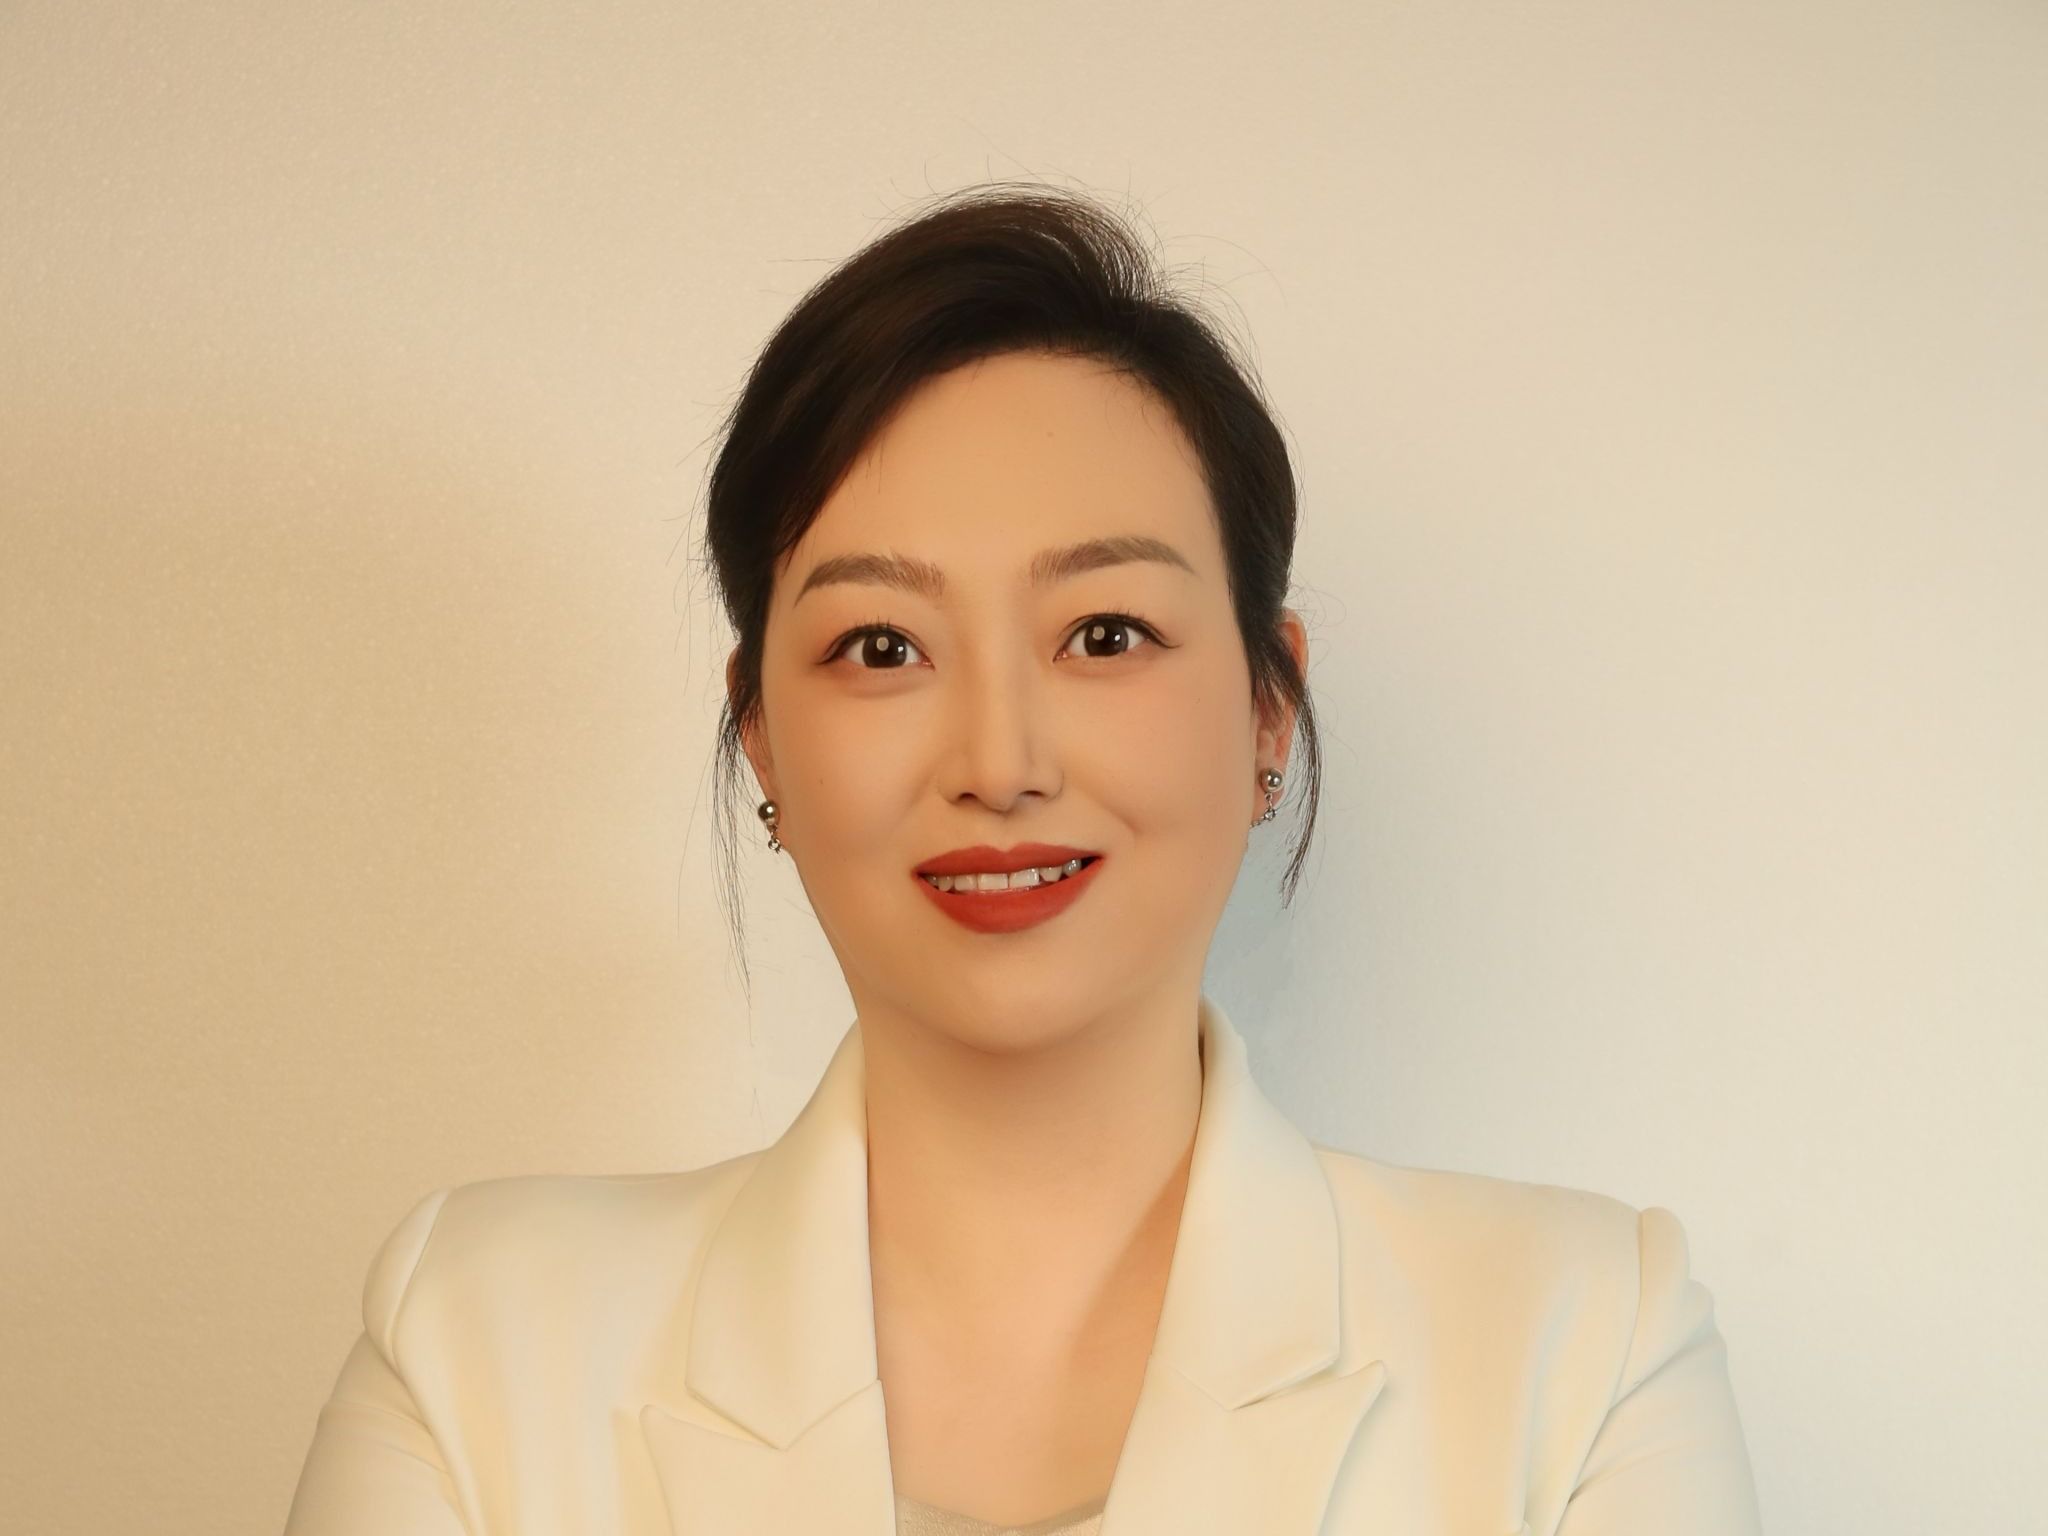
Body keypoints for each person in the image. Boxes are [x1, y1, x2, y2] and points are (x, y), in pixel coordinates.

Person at [283, 184, 1763, 1536]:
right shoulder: (475, 1344)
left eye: (1105, 634)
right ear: (761, 738)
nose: (999, 762)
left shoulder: (1582, 1353)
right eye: (882, 646)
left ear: (1268, 706)